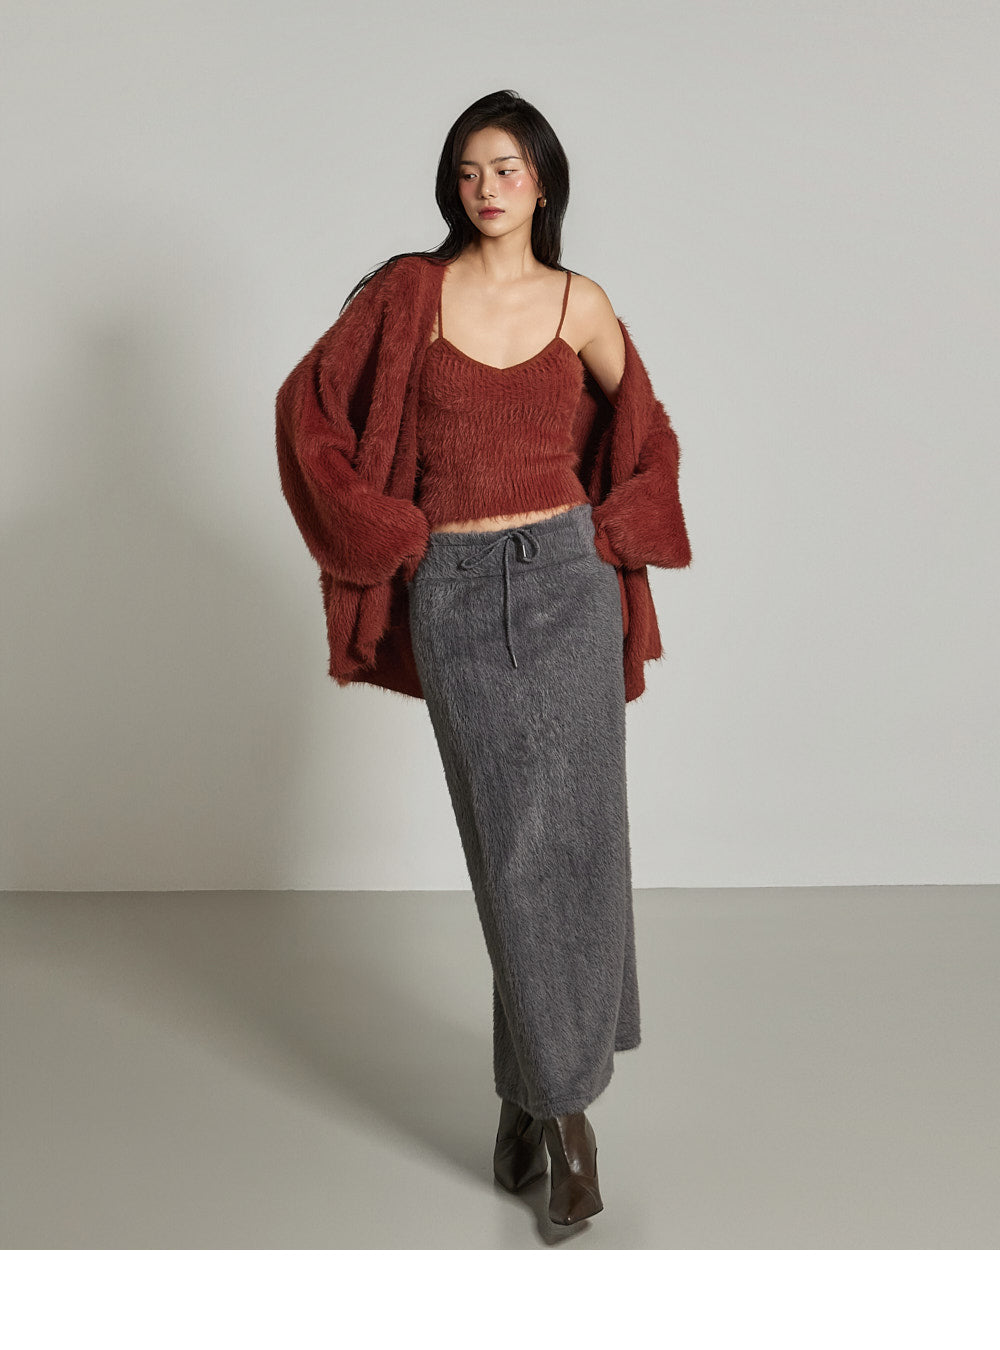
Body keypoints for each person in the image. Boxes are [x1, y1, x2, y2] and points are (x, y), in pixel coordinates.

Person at [276, 89, 693, 1227]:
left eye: (506, 168)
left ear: (542, 181)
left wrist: (614, 529)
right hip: (456, 592)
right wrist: (389, 533)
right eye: (468, 171)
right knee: (513, 846)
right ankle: (563, 1110)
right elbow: (309, 413)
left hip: (568, 584)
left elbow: (647, 434)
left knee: (580, 838)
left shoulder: (578, 301)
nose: (485, 188)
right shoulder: (408, 295)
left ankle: (539, 1107)